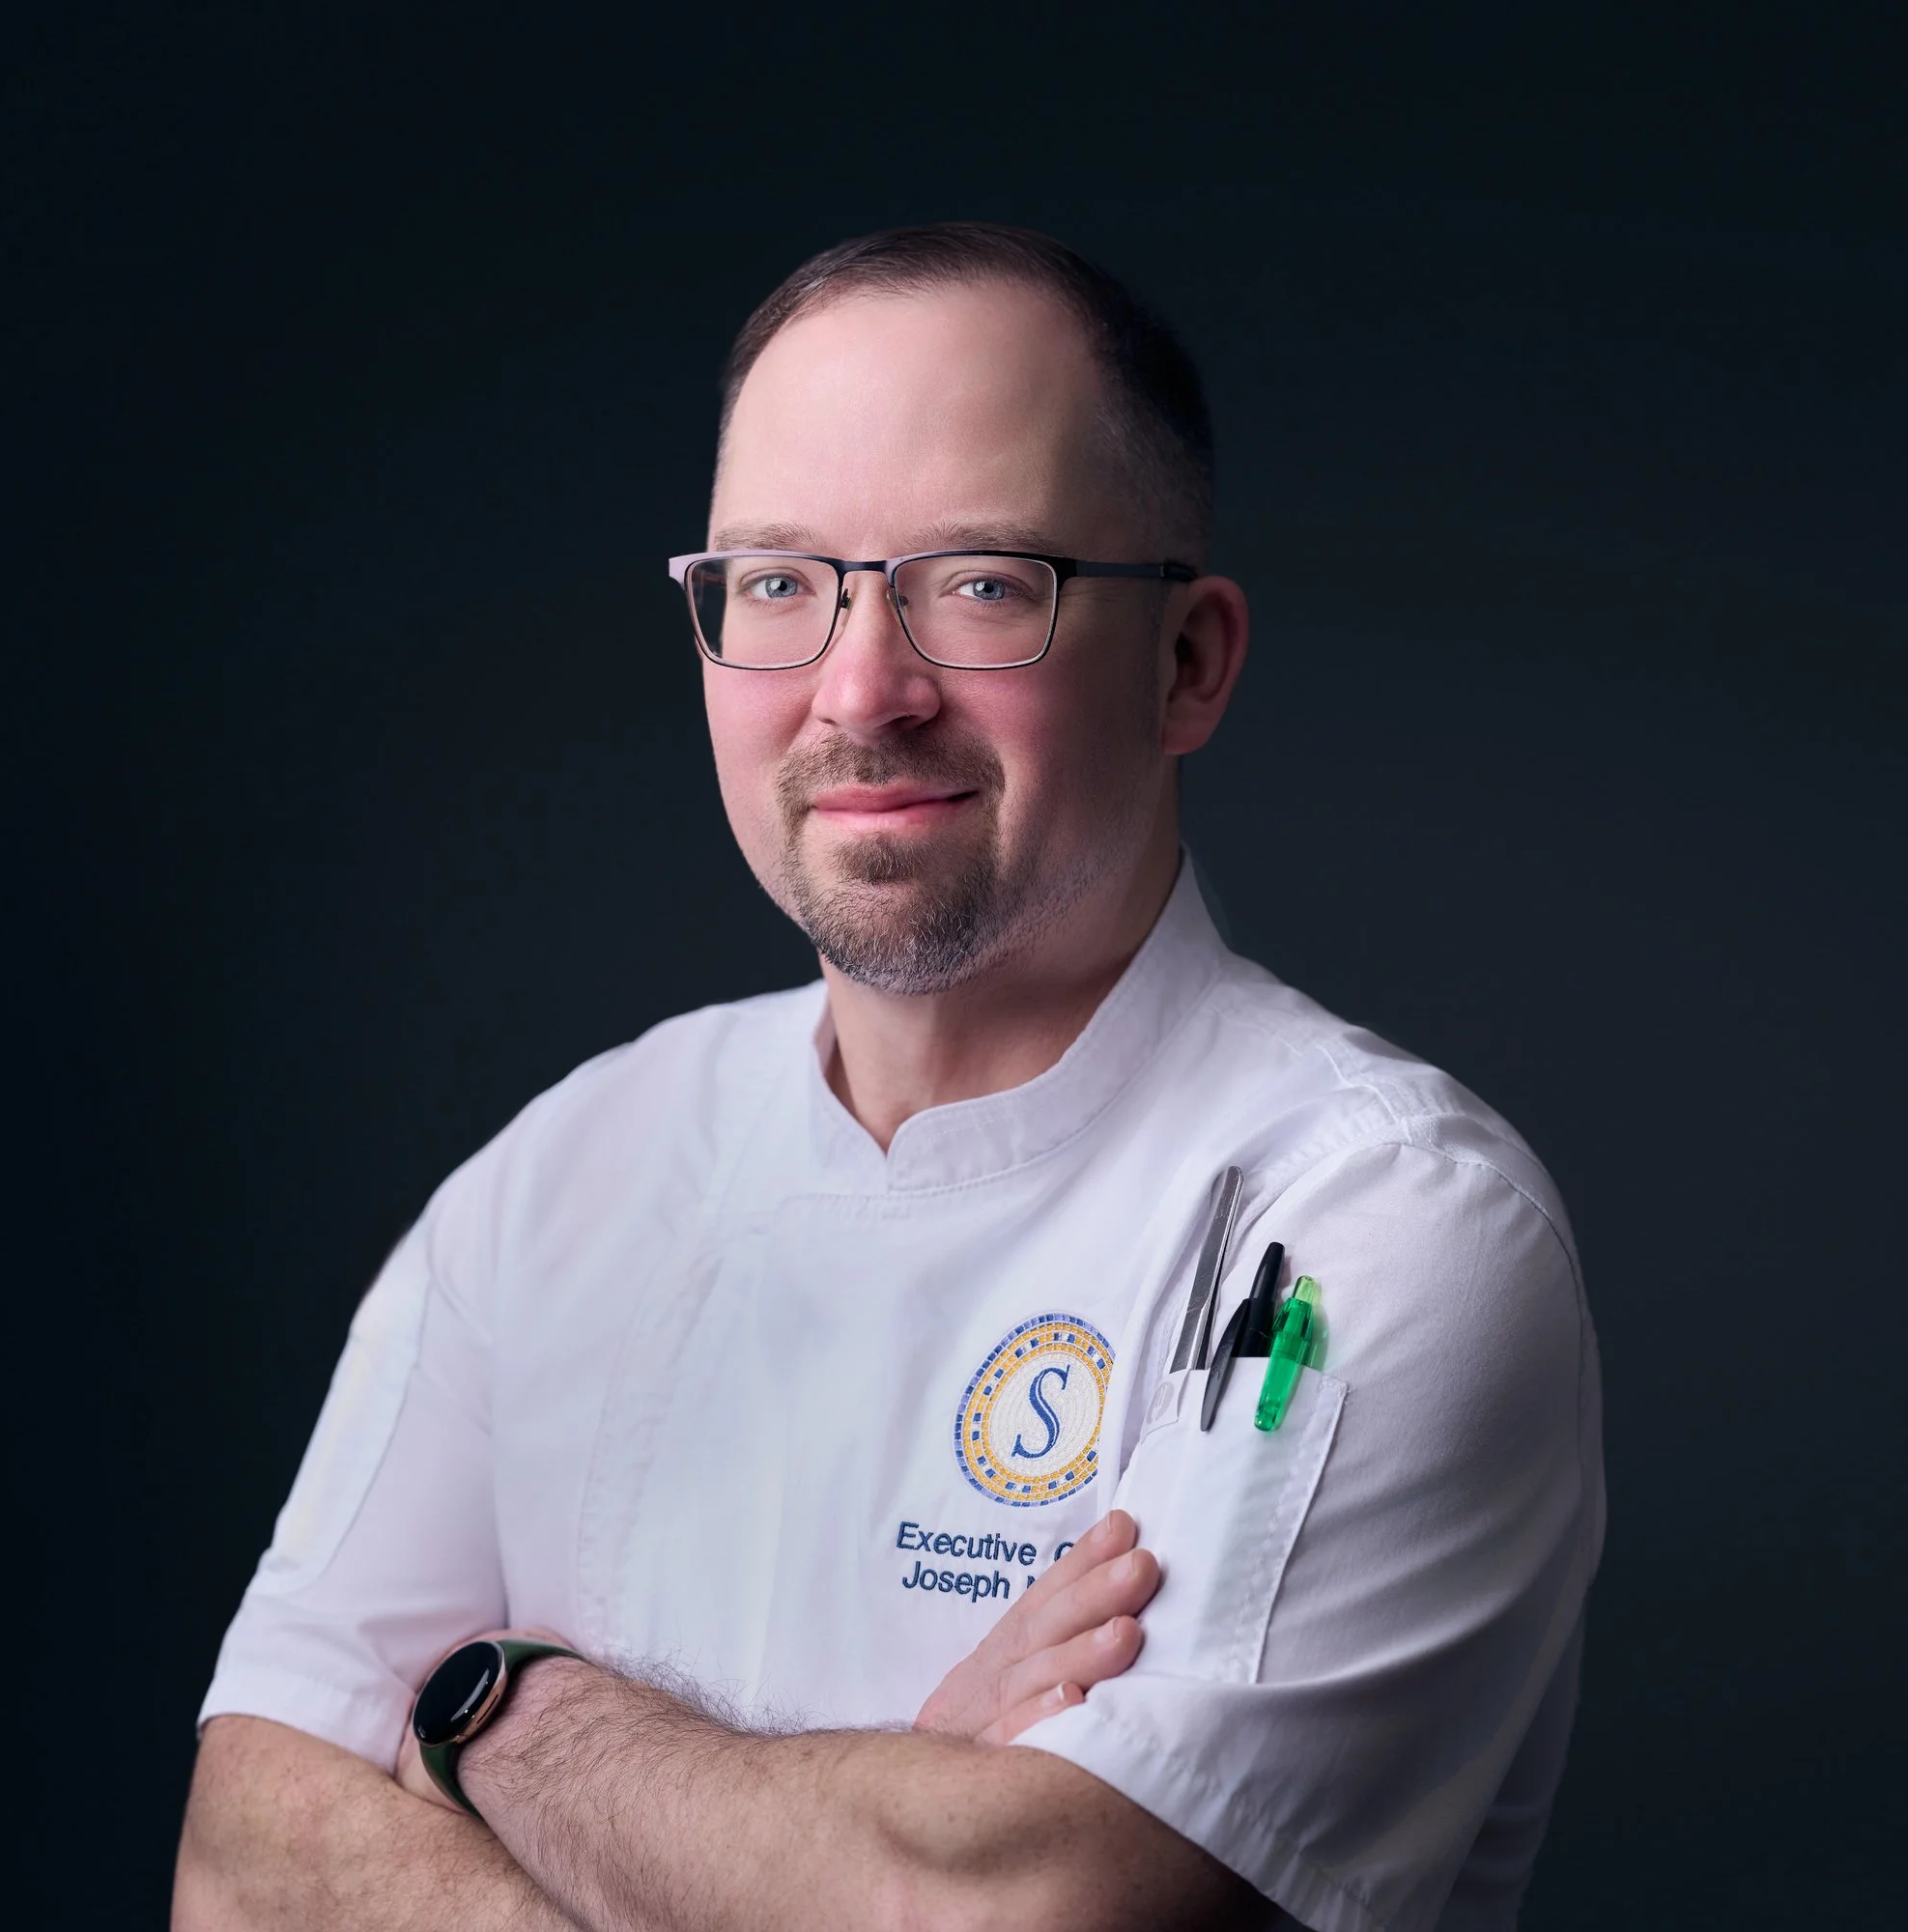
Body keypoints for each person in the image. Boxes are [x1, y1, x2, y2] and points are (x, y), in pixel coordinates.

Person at [173, 222, 1604, 1932]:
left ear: (1187, 664)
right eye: (779, 584)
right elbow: (240, 1873)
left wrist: (499, 1719)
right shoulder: (555, 1184)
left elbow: (1032, 1913)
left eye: (983, 583)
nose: (862, 690)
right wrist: (888, 1815)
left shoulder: (1376, 1229)